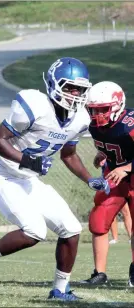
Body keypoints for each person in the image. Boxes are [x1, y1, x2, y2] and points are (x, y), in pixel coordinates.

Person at [0, 57, 111, 301]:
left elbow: (69, 154)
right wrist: (30, 161)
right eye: (70, 87)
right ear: (53, 84)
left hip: (29, 181)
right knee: (34, 231)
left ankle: (60, 290)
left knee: (71, 229)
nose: (75, 94)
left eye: (80, 89)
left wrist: (88, 179)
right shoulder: (36, 104)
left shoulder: (80, 118)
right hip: (3, 176)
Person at [81, 81, 134, 287]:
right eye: (93, 110)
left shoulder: (129, 123)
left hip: (128, 173)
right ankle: (99, 273)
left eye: (103, 110)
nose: (97, 115)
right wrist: (103, 154)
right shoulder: (95, 127)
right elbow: (115, 145)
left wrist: (126, 168)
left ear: (117, 105)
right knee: (99, 219)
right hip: (114, 174)